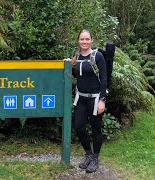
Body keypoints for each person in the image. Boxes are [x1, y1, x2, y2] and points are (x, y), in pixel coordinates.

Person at [64, 29, 107, 173]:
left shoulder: (98, 56)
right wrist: (68, 65)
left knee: (96, 129)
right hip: (81, 98)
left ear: (91, 40)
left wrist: (102, 100)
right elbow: (75, 75)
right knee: (79, 127)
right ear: (78, 41)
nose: (84, 42)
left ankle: (95, 158)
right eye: (82, 39)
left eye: (87, 39)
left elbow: (104, 79)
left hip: (95, 99)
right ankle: (88, 154)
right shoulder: (76, 56)